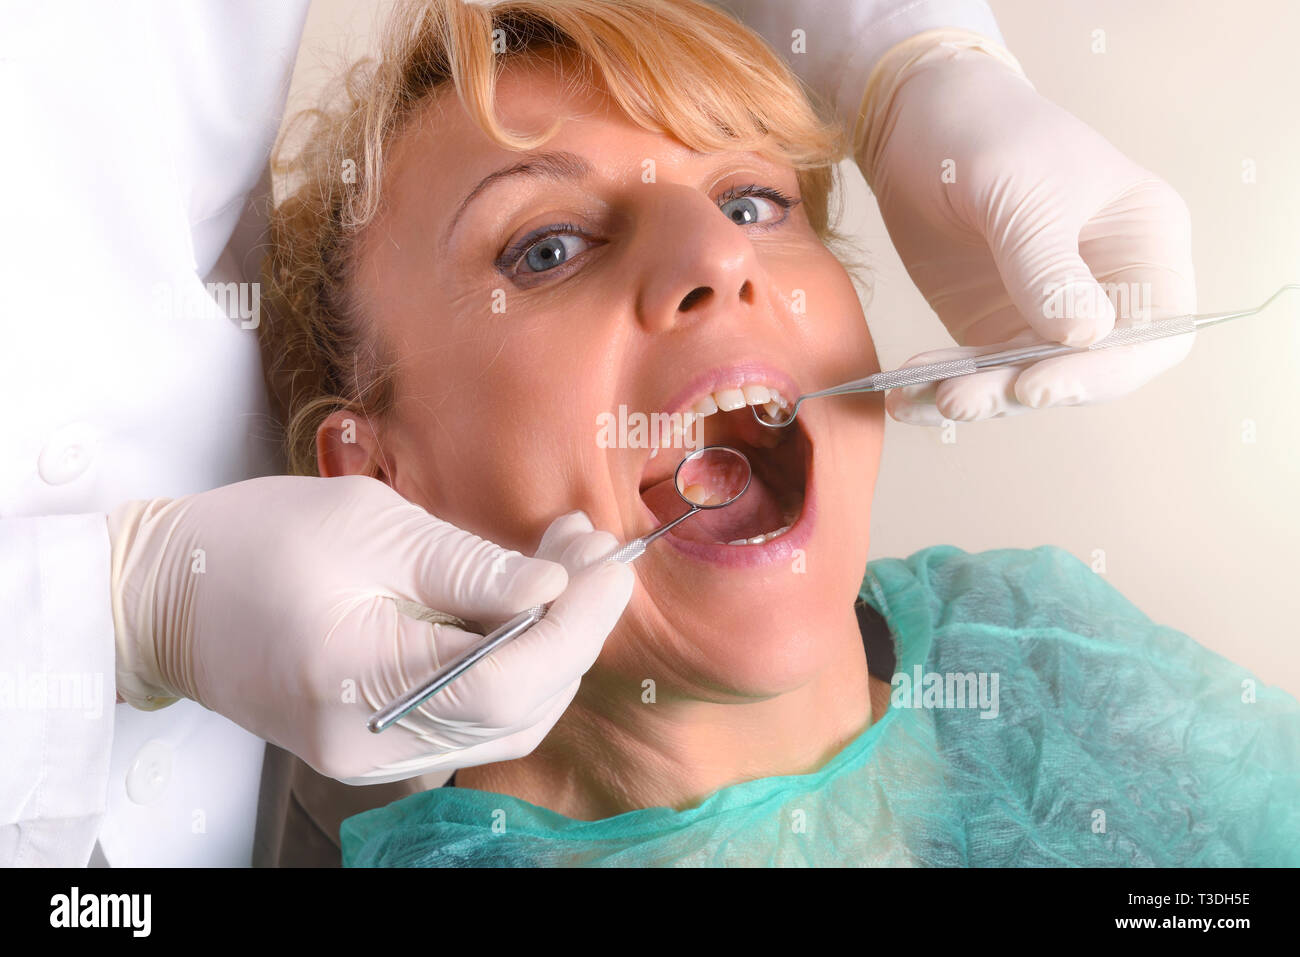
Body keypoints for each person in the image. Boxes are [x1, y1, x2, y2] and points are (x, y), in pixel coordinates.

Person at [0, 0, 1195, 868]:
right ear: (372, 477)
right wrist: (112, 611)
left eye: (754, 201)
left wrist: (913, 57)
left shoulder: (1069, 684)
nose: (717, 255)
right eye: (547, 246)